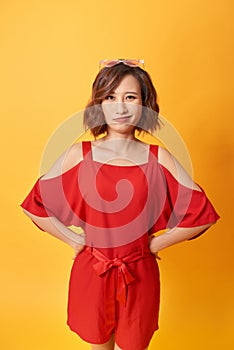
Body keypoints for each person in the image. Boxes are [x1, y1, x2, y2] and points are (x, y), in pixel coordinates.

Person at [20, 59, 220, 350]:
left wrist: (154, 246)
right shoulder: (79, 153)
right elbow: (34, 205)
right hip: (93, 273)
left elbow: (203, 215)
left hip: (139, 275)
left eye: (130, 97)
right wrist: (73, 240)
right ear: (98, 104)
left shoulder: (158, 158)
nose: (120, 107)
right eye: (110, 97)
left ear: (144, 104)